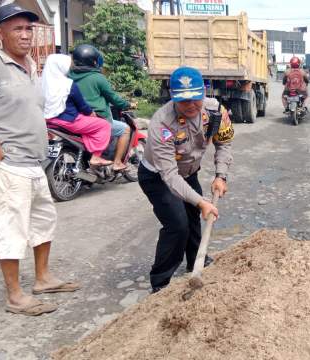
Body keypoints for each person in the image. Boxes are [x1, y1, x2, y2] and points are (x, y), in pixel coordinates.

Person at [0, 3, 79, 316]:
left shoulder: (29, 63)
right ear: (0, 34)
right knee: (10, 227)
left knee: (43, 221)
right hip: (8, 165)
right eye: (17, 29)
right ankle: (15, 295)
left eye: (29, 28)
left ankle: (42, 279)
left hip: (34, 163)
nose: (26, 35)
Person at [139, 66, 233, 293]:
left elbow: (224, 143)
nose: (191, 105)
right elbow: (169, 175)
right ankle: (160, 282)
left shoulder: (215, 112)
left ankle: (195, 262)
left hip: (189, 172)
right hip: (157, 177)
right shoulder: (162, 124)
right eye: (184, 101)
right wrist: (201, 201)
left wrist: (221, 175)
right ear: (173, 97)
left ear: (204, 92)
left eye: (196, 99)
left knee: (192, 218)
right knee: (177, 225)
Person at [69, 44, 132, 171]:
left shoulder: (68, 76)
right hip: (96, 118)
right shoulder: (98, 78)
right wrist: (127, 104)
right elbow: (113, 98)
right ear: (93, 61)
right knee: (125, 129)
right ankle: (117, 162)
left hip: (74, 118)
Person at [42, 54, 112, 166]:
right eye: (68, 65)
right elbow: (83, 106)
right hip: (68, 120)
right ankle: (96, 157)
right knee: (104, 125)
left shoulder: (42, 83)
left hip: (48, 121)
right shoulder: (68, 84)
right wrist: (91, 113)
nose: (70, 68)